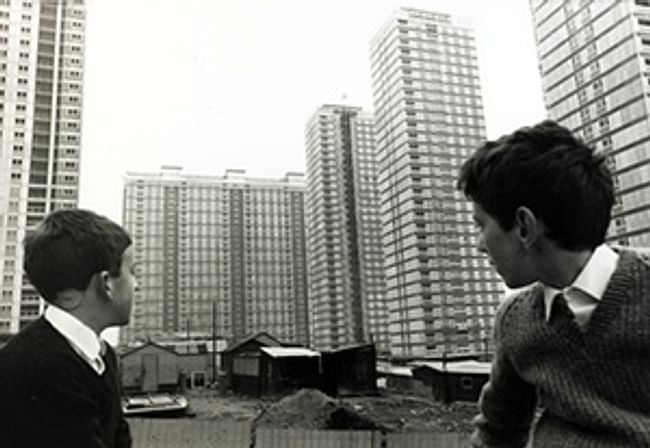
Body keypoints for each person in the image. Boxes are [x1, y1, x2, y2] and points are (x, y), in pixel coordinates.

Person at [457, 120, 650, 447]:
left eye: (481, 225)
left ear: (524, 227)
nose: (478, 245)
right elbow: (497, 433)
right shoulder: (515, 320)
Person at [0, 209, 138, 448]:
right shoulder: (36, 368)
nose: (136, 284)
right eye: (133, 272)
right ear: (106, 283)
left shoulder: (102, 357)